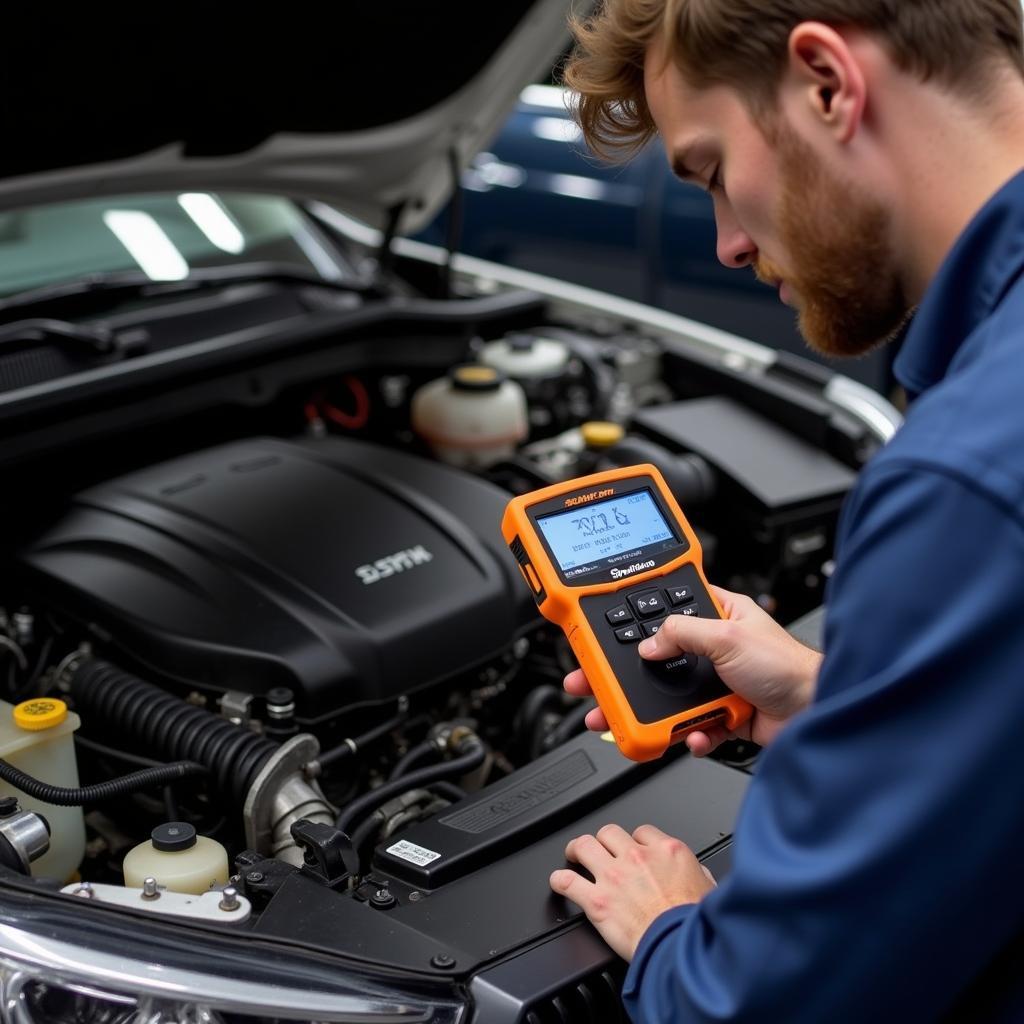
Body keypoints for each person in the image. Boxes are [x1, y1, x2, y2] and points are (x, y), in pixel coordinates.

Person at [547, 2, 1024, 1020]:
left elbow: (766, 1005)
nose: (724, 243)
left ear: (825, 83)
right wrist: (846, 695)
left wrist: (676, 932)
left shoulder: (965, 480)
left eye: (713, 169)